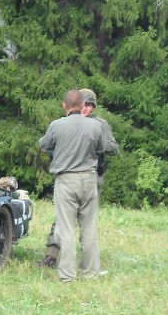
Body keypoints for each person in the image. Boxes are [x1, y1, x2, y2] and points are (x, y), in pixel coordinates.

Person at [37, 88, 119, 268]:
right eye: (84, 104)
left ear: (93, 107)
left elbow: (113, 147)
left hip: (91, 178)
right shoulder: (65, 124)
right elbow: (48, 146)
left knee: (87, 225)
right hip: (71, 176)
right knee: (61, 220)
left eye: (90, 105)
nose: (86, 108)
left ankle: (84, 265)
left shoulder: (99, 125)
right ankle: (51, 255)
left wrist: (92, 142)